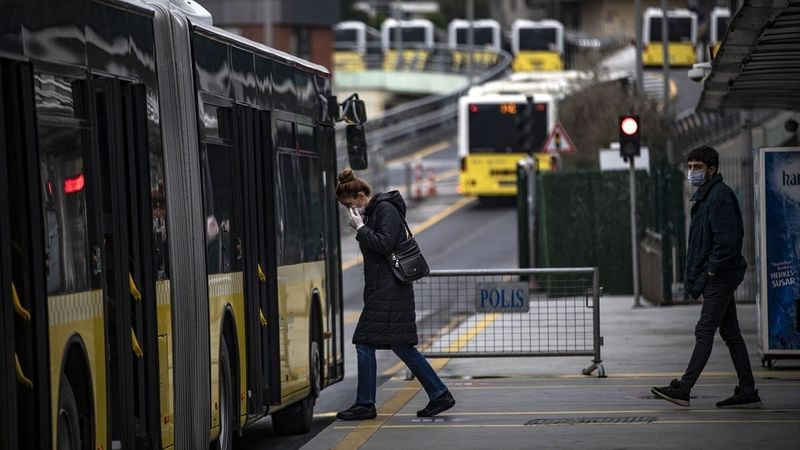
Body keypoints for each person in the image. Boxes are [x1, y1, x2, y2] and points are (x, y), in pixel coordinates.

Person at [334, 168, 455, 421]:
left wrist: (360, 228)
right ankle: (439, 394)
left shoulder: (385, 209)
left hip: (390, 290)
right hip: (387, 289)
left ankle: (366, 403)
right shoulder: (376, 212)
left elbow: (383, 244)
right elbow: (378, 247)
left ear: (360, 196)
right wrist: (363, 226)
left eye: (350, 205)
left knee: (365, 342)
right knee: (401, 345)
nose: (351, 211)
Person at [652, 146, 761, 409]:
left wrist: (712, 270)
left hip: (720, 276)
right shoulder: (706, 196)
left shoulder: (720, 196)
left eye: (698, 168)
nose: (692, 172)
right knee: (731, 333)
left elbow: (729, 240)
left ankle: (685, 388)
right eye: (689, 167)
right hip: (716, 275)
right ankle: (747, 389)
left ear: (712, 170)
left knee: (704, 330)